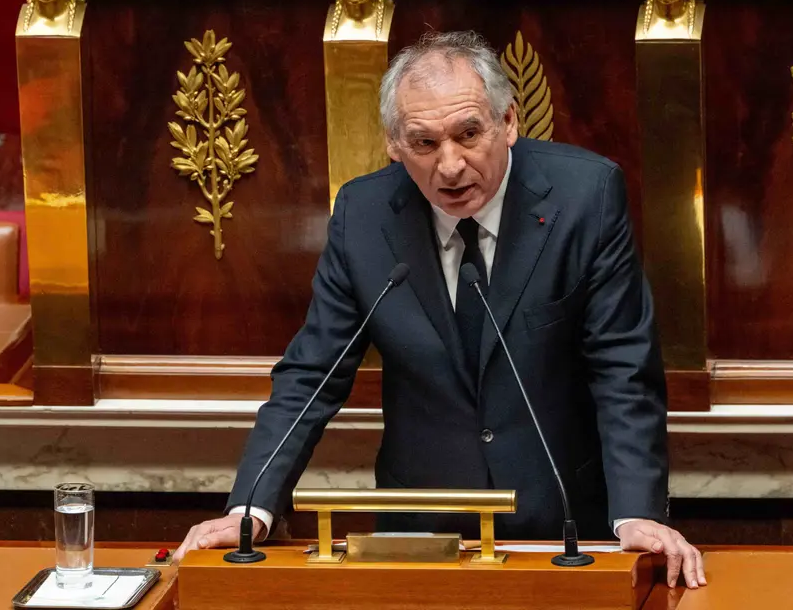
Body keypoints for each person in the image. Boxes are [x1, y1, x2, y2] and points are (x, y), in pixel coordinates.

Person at [174, 30, 706, 589]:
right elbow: (312, 374)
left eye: (469, 133)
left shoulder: (585, 197)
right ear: (393, 144)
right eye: (423, 143)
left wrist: (637, 512)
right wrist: (250, 509)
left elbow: (623, 370)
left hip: (563, 527)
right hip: (418, 531)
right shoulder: (364, 215)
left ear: (509, 122)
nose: (449, 165)